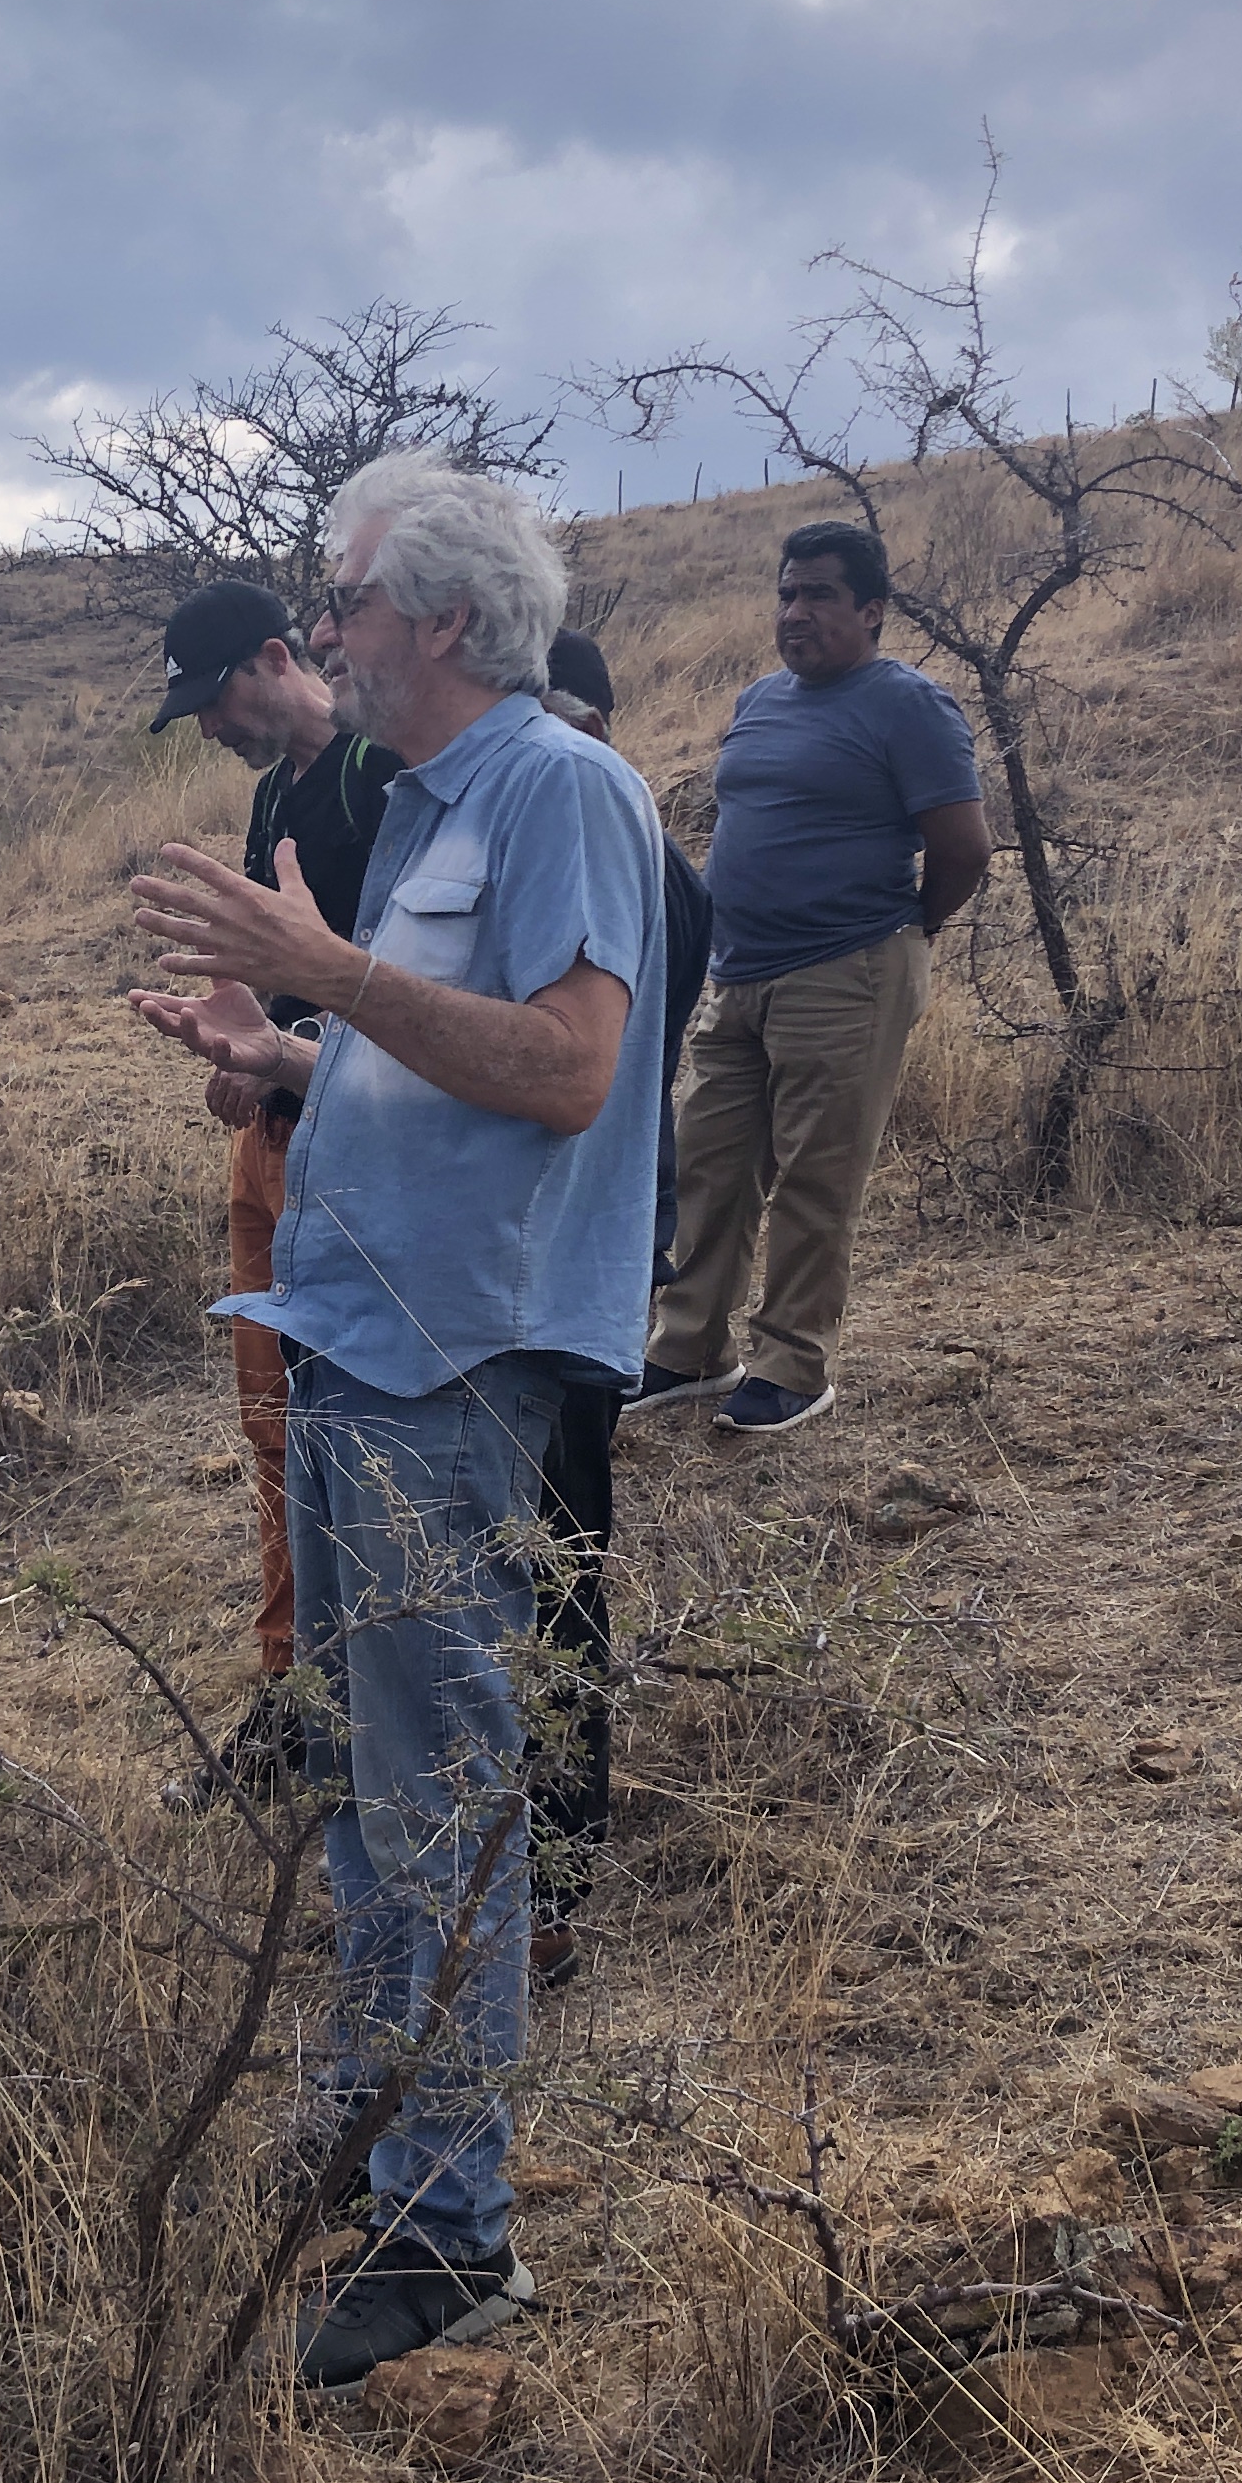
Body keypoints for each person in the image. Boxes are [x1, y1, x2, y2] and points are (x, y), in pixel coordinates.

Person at [129, 455, 668, 2389]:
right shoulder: (436, 804)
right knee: (373, 1784)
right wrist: (288, 1053)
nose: (324, 629)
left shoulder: (562, 790)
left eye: (344, 597)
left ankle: (453, 2228)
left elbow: (571, 1071)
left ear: (440, 617)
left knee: (441, 1786)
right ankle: (379, 2132)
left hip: (465, 1359)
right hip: (360, 1330)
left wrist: (325, 972)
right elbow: (442, 1058)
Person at [631, 523, 990, 1433]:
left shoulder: (909, 706)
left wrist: (901, 935)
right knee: (710, 1166)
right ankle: (690, 1348)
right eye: (787, 594)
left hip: (847, 971)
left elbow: (962, 848)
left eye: (820, 595)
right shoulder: (760, 699)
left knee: (815, 1178)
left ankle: (793, 1362)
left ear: (871, 611)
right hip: (738, 971)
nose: (796, 613)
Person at [145, 575, 403, 1797]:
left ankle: (354, 1705)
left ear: (271, 657)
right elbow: (277, 977)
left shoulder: (374, 772)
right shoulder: (272, 795)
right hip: (275, 1140)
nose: (210, 725)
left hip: (354, 1149)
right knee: (272, 1434)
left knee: (343, 1437)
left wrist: (299, 1054)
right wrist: (235, 1039)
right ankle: (294, 1691)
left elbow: (400, 981)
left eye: (214, 696)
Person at [528, 630, 708, 1995]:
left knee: (554, 1557)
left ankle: (552, 1859)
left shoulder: (619, 844)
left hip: (569, 1259)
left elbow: (609, 1080)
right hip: (534, 1261)